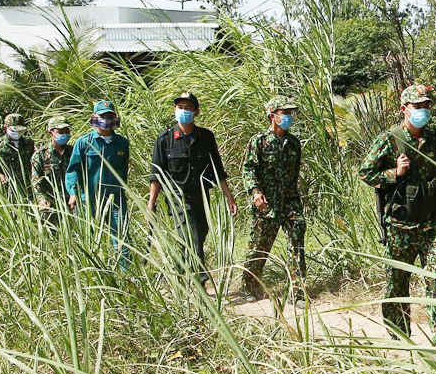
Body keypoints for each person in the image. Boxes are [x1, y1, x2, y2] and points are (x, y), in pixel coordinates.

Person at [358, 83, 436, 343]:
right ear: (404, 109)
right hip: (401, 225)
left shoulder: (434, 139)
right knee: (397, 282)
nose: (423, 110)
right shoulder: (390, 139)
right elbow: (366, 173)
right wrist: (395, 173)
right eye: (417, 106)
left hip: (433, 222)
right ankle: (399, 335)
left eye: (426, 105)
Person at [146, 91, 237, 286]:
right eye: (180, 107)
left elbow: (218, 169)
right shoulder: (165, 139)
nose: (183, 111)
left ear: (196, 112)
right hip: (177, 198)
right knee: (193, 235)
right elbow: (156, 175)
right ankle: (200, 281)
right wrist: (151, 203)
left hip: (201, 196)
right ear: (174, 110)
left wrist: (229, 198)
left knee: (199, 234)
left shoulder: (206, 137)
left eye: (188, 108)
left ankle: (176, 273)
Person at [238, 96, 307, 302]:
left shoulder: (294, 143)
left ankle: (298, 291)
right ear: (272, 116)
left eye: (289, 113)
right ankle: (250, 287)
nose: (288, 117)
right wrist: (255, 192)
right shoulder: (259, 142)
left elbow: (294, 173)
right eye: (284, 113)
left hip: (290, 201)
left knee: (296, 244)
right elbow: (248, 169)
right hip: (267, 203)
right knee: (259, 247)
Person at [65, 100, 132, 269]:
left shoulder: (122, 143)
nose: (106, 119)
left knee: (122, 238)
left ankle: (127, 275)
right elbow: (73, 170)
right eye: (102, 116)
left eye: (110, 116)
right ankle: (92, 274)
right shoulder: (84, 142)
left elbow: (123, 170)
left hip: (115, 199)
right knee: (89, 239)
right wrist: (73, 193)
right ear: (94, 117)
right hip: (88, 200)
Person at [33, 115, 73, 229]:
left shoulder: (74, 152)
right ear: (51, 133)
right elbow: (36, 180)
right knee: (53, 234)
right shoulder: (41, 154)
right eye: (60, 132)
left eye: (67, 131)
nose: (64, 134)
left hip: (72, 201)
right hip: (51, 203)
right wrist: (41, 199)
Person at [0, 113, 36, 199]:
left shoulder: (29, 143)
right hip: (7, 190)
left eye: (20, 130)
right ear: (5, 128)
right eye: (14, 131)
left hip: (27, 189)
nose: (17, 133)